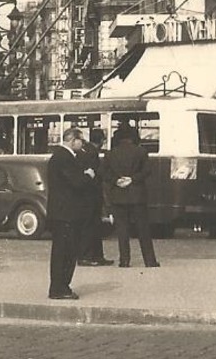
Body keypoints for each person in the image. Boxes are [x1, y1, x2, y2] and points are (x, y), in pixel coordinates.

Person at [46, 126, 98, 301]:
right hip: (66, 213)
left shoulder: (62, 156)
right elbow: (75, 182)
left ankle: (60, 286)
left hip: (63, 212)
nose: (82, 144)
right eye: (80, 140)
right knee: (65, 251)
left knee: (65, 250)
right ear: (72, 140)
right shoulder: (64, 158)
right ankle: (59, 288)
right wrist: (88, 175)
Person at [103, 126, 160, 269]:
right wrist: (132, 179)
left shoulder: (110, 154)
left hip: (118, 194)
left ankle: (124, 261)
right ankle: (150, 261)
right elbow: (147, 171)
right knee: (143, 229)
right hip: (137, 195)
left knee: (122, 230)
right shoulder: (141, 152)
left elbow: (103, 172)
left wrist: (117, 180)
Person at [78, 129, 114, 266]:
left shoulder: (85, 150)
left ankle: (93, 255)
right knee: (92, 226)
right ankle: (90, 256)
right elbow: (96, 174)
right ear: (100, 141)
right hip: (92, 195)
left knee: (90, 226)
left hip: (86, 196)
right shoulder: (93, 153)